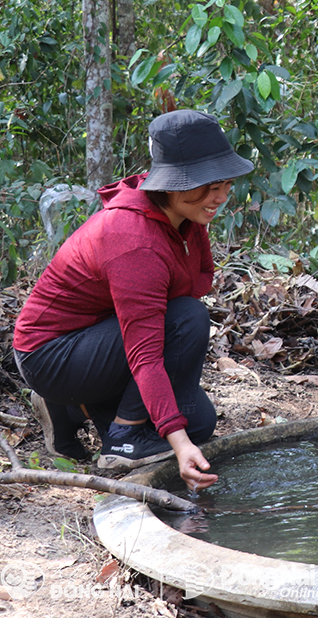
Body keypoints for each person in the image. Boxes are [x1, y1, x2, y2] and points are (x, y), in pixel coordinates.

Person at [14, 109, 254, 491]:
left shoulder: (184, 217)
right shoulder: (134, 238)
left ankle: (73, 408)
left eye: (226, 184)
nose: (221, 196)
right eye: (210, 186)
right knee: (188, 319)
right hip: (51, 355)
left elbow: (199, 279)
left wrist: (181, 431)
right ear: (174, 183)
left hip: (97, 340)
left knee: (200, 423)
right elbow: (147, 348)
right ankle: (122, 440)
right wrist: (177, 441)